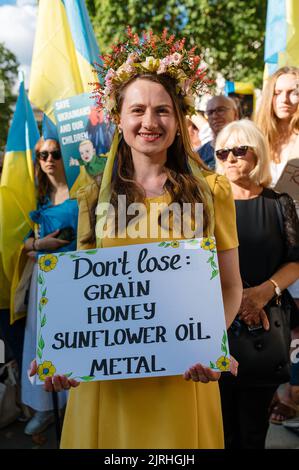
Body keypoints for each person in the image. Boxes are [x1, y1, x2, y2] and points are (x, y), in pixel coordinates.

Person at [30, 30, 242, 449]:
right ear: (119, 118)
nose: (150, 122)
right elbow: (81, 295)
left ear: (179, 120)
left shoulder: (213, 190)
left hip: (183, 377)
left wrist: (210, 342)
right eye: (138, 110)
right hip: (109, 385)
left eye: (163, 110)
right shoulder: (92, 196)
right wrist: (60, 355)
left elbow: (231, 284)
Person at [215, 119, 299, 448]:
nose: (230, 159)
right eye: (222, 152)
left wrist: (263, 293)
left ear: (258, 154)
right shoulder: (206, 206)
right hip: (217, 328)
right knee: (219, 431)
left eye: (239, 150)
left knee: (252, 433)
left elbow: (295, 259)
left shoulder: (279, 204)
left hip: (264, 332)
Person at [21, 137, 78, 435]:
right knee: (40, 344)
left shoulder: (83, 192)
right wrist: (38, 244)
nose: (49, 159)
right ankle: (45, 408)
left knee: (71, 343)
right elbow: (21, 240)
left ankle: (74, 409)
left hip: (74, 280)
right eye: (43, 154)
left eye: (55, 153)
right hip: (43, 280)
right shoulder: (35, 195)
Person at [255, 66, 299, 422]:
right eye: (279, 92)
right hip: (267, 240)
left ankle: (291, 394)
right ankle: (273, 389)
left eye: (294, 91)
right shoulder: (257, 138)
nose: (286, 99)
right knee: (274, 316)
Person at [199, 95, 238, 170]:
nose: (214, 116)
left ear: (235, 114)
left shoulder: (246, 147)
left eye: (220, 110)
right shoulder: (200, 155)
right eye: (210, 113)